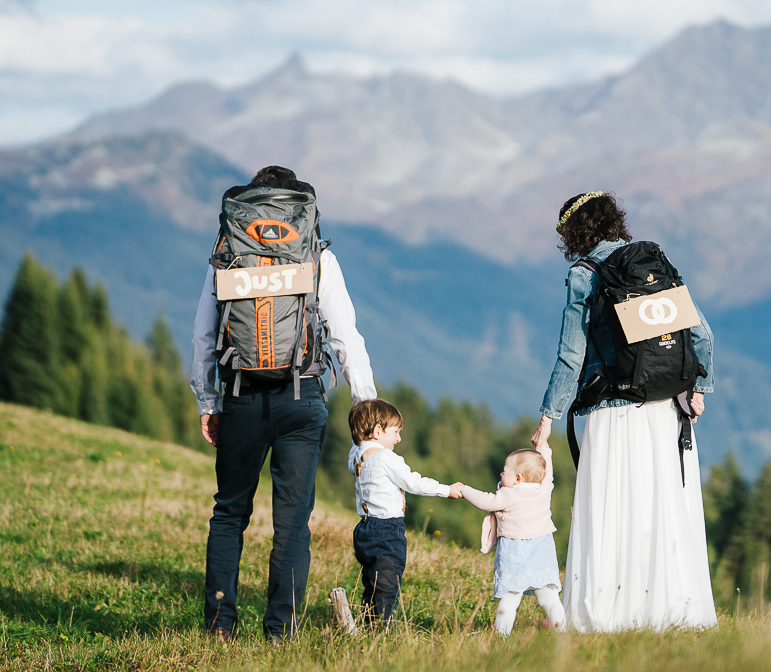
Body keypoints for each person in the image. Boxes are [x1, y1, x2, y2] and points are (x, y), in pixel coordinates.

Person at [190, 165, 377, 642]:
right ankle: (280, 633)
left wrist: (207, 401)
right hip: (302, 399)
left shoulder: (228, 253)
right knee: (292, 525)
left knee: (230, 512)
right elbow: (345, 334)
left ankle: (219, 626)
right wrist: (366, 403)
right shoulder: (316, 256)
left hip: (240, 396)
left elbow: (202, 336)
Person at [533, 191, 717, 632]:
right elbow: (702, 333)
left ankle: (606, 615)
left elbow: (570, 356)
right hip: (666, 410)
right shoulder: (653, 260)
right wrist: (700, 389)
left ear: (574, 233)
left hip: (613, 411)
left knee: (612, 512)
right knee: (663, 512)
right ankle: (676, 613)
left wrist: (547, 418)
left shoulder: (586, 273)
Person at [348, 398, 461, 624]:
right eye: (396, 431)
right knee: (388, 587)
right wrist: (446, 490)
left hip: (364, 530)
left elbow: (358, 446)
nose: (399, 438)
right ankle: (379, 632)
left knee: (372, 584)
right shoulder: (385, 457)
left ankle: (367, 623)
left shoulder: (356, 455)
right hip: (387, 530)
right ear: (378, 431)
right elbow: (413, 483)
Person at [452, 445, 566, 635]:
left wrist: (464, 489)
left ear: (518, 478)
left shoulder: (510, 494)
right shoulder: (544, 489)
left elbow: (485, 501)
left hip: (516, 553)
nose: (501, 475)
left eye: (505, 472)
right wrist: (544, 446)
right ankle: (561, 632)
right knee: (549, 597)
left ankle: (502, 636)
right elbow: (548, 471)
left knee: (510, 597)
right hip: (542, 553)